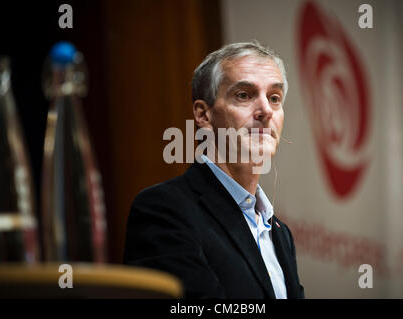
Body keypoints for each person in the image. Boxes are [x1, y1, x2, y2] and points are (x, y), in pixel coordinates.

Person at [123, 41, 304, 299]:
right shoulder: (164, 210)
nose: (266, 110)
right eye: (244, 95)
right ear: (203, 115)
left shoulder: (280, 234)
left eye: (274, 98)